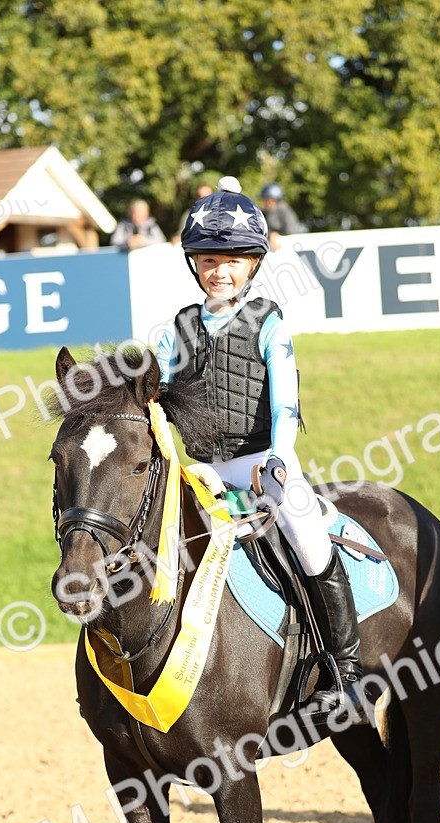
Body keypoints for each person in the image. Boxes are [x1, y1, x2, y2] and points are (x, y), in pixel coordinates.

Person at [156, 177, 367, 721]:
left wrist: (277, 459)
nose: (219, 271)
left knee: (308, 538)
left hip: (263, 463)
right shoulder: (178, 329)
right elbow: (152, 389)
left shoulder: (268, 322)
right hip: (203, 471)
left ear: (253, 263)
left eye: (232, 260)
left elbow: (286, 404)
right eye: (208, 260)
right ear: (193, 264)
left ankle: (347, 673)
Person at [259, 183, 305, 249]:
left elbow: (291, 230)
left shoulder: (284, 211)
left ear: (273, 200)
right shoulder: (265, 213)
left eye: (265, 200)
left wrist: (276, 234)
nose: (263, 203)